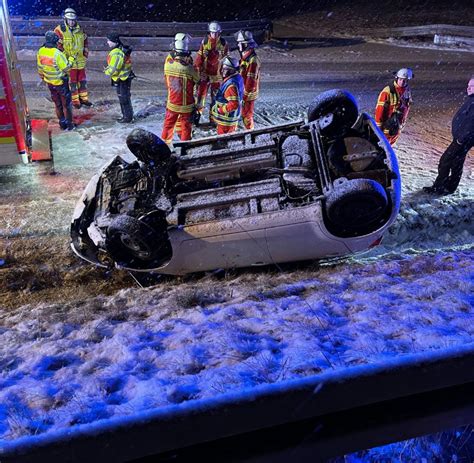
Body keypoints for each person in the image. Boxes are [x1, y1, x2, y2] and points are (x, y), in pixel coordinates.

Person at [423, 76, 474, 195]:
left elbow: (471, 123)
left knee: (445, 160)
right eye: (468, 86)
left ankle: (439, 187)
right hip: (463, 138)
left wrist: (461, 139)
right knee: (457, 162)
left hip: (463, 139)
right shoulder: (471, 99)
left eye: (472, 86)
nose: (468, 88)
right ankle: (450, 187)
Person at [161, 36, 199, 144]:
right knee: (186, 127)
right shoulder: (189, 69)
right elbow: (198, 80)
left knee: (168, 126)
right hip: (186, 105)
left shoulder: (168, 65)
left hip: (172, 103)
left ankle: (165, 144)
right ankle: (185, 147)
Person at [54, 8, 92, 108]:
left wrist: (85, 52)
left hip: (80, 61)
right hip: (69, 63)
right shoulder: (59, 30)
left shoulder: (80, 30)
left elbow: (85, 41)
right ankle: (75, 102)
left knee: (82, 82)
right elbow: (57, 47)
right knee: (73, 83)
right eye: (69, 20)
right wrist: (63, 60)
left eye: (73, 20)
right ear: (65, 19)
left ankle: (84, 99)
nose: (72, 22)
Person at [37, 30, 75, 130]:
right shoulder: (57, 54)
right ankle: (70, 125)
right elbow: (66, 69)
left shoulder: (41, 51)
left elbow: (40, 68)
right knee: (66, 105)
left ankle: (62, 124)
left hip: (50, 83)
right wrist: (71, 59)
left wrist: (43, 78)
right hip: (61, 83)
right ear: (55, 41)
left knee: (58, 105)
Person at [194, 21, 229, 126]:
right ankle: (196, 118)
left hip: (217, 76)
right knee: (200, 98)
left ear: (219, 32)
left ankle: (213, 120)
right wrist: (198, 72)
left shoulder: (223, 43)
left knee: (216, 99)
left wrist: (225, 74)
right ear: (209, 32)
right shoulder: (205, 42)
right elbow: (199, 59)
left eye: (217, 33)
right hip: (205, 75)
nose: (215, 35)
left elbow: (226, 60)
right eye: (213, 33)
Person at [374, 68, 413, 145]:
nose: (402, 82)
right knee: (383, 148)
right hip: (387, 127)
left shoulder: (407, 91)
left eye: (405, 80)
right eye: (401, 79)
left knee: (390, 146)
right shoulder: (388, 91)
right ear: (397, 78)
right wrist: (379, 128)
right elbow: (380, 110)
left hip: (397, 127)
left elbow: (407, 107)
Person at [104, 33, 134, 123]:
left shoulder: (116, 53)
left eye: (109, 40)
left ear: (114, 42)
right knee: (124, 98)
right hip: (125, 77)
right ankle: (127, 116)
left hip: (122, 79)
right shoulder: (121, 50)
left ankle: (127, 118)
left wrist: (106, 71)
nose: (107, 42)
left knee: (123, 98)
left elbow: (114, 69)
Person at [211, 56, 244, 135]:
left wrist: (221, 110)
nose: (222, 71)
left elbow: (234, 104)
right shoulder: (237, 77)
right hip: (230, 119)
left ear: (230, 70)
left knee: (223, 139)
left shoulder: (231, 84)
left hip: (226, 120)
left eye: (224, 69)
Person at [236, 30, 261, 130]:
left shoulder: (252, 60)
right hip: (244, 92)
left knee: (247, 115)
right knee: (244, 114)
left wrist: (244, 95)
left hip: (248, 94)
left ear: (245, 44)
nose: (238, 45)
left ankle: (250, 132)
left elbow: (251, 80)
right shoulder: (246, 57)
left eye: (240, 43)